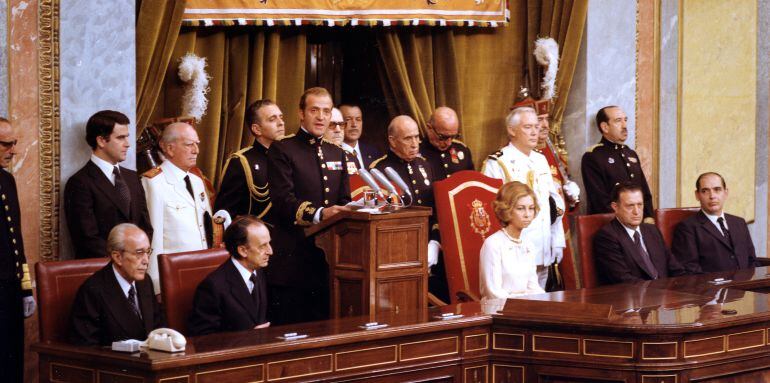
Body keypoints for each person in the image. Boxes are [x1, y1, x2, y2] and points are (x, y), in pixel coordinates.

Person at [266, 87, 351, 324]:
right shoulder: (282, 149)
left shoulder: (337, 153)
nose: (321, 117)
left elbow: (343, 201)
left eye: (326, 111)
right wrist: (321, 213)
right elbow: (283, 201)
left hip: (329, 264)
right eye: (314, 110)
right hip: (292, 261)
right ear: (301, 113)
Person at [482, 107, 565, 288]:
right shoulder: (497, 162)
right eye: (528, 127)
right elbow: (495, 211)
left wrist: (557, 239)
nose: (535, 131)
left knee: (539, 301)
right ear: (512, 130)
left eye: (536, 126)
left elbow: (554, 204)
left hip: (542, 245)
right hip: (513, 250)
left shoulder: (540, 160)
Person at [369, 115, 446, 301]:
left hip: (430, 250)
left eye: (416, 137)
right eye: (407, 138)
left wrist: (435, 243)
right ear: (392, 141)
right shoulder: (378, 170)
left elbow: (438, 209)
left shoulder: (425, 165)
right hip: (399, 252)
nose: (415, 144)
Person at [64, 110, 154, 259]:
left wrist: (139, 256)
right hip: (102, 272)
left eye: (127, 137)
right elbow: (86, 239)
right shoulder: (80, 183)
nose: (128, 144)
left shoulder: (132, 177)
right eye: (120, 138)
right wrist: (124, 260)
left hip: (136, 269)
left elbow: (145, 225)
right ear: (101, 141)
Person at [142, 122, 212, 293]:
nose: (196, 150)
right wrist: (157, 286)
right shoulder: (154, 183)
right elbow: (154, 237)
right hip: (174, 274)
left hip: (204, 270)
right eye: (189, 144)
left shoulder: (197, 181)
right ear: (169, 148)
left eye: (197, 144)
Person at [69, 224, 164, 346]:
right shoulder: (93, 290)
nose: (146, 260)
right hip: (114, 363)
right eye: (139, 253)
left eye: (148, 252)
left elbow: (158, 328)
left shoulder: (145, 282)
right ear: (117, 257)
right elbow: (86, 347)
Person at [188, 216, 272, 335]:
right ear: (243, 251)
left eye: (269, 243)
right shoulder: (213, 286)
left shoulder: (259, 272)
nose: (270, 251)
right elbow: (202, 339)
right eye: (262, 246)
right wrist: (246, 339)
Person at [594, 182, 686, 285]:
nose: (636, 212)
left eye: (640, 205)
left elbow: (675, 268)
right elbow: (623, 279)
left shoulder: (652, 230)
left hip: (667, 295)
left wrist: (687, 287)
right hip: (634, 297)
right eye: (630, 206)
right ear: (615, 207)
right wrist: (660, 291)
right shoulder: (607, 236)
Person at [0, 118, 34, 383]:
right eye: (6, 144)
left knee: (12, 362)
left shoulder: (7, 180)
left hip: (9, 290)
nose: (12, 150)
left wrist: (25, 289)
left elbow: (16, 241)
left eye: (14, 143)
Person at [672, 172, 757, 274]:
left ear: (725, 193)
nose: (712, 196)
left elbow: (752, 260)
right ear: (697, 195)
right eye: (705, 191)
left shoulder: (739, 223)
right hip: (712, 288)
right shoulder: (687, 228)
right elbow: (690, 269)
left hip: (746, 286)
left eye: (717, 190)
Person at [215, 99, 284, 220]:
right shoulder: (241, 162)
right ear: (257, 129)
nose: (281, 123)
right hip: (261, 235)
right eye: (272, 119)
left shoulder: (290, 156)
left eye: (281, 117)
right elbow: (225, 213)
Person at [581, 106, 654, 218]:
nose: (624, 126)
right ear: (605, 127)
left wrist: (649, 219)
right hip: (611, 225)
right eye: (618, 121)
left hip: (637, 223)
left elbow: (644, 192)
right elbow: (599, 201)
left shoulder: (630, 153)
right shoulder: (593, 156)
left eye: (625, 120)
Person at [480, 181, 545, 301]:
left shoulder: (528, 244)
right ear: (507, 210)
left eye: (531, 208)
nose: (527, 214)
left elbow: (533, 288)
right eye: (521, 209)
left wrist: (548, 302)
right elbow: (494, 293)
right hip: (499, 311)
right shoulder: (493, 244)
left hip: (525, 309)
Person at [420, 106, 474, 180]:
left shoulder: (462, 149)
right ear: (429, 128)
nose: (448, 143)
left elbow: (471, 183)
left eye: (453, 136)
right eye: (443, 137)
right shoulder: (417, 153)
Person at [340, 103, 381, 169]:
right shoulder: (333, 153)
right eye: (348, 119)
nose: (354, 124)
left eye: (358, 119)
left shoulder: (373, 152)